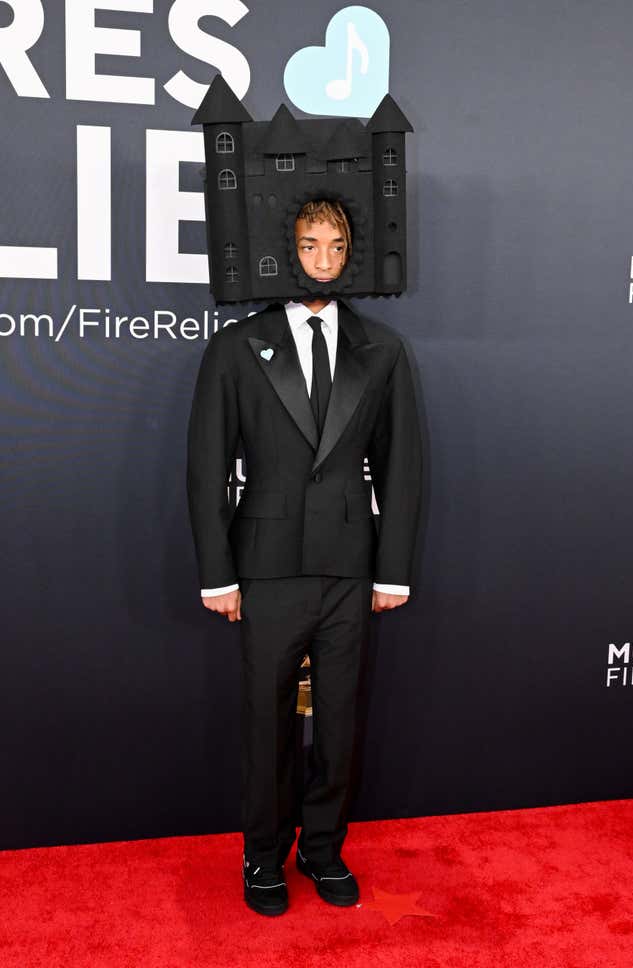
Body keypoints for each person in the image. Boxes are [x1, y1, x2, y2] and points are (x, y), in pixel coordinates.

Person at [187, 198, 423, 916]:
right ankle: (263, 856)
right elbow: (204, 468)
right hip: (264, 568)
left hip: (350, 569)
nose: (322, 259)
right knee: (267, 721)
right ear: (284, 250)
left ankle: (322, 850)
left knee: (341, 722)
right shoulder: (236, 347)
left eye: (334, 246)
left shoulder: (380, 349)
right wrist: (217, 575)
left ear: (350, 253)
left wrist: (392, 569)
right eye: (308, 245)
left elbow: (402, 466)